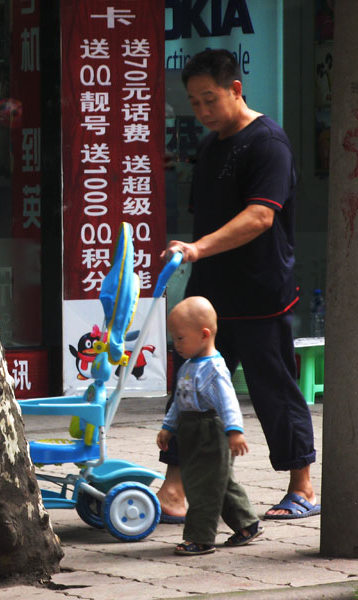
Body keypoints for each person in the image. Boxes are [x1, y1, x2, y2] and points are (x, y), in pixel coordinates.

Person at [158, 49, 319, 522]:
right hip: (209, 295)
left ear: (236, 89)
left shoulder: (268, 143)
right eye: (195, 102)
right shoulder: (210, 145)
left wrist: (200, 247)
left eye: (211, 100)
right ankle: (174, 489)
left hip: (260, 291)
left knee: (273, 387)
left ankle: (303, 487)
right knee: (190, 388)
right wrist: (195, 254)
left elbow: (260, 216)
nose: (203, 112)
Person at [157, 297, 262, 555]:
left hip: (210, 430)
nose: (176, 344)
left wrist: (234, 431)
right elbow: (179, 403)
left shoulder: (214, 368)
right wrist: (168, 427)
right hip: (191, 430)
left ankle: (200, 537)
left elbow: (228, 403)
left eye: (180, 338)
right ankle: (247, 524)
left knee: (202, 486)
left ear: (204, 335)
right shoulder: (188, 366)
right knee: (218, 480)